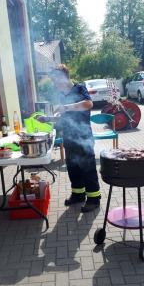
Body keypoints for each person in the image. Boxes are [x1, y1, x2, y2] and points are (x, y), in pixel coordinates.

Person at [45, 64, 100, 212]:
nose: (54, 83)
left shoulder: (80, 88)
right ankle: (78, 195)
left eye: (55, 80)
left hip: (83, 137)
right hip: (68, 137)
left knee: (88, 169)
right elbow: (64, 118)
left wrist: (67, 107)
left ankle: (94, 199)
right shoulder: (62, 95)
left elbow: (89, 104)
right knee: (73, 168)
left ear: (63, 77)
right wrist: (48, 119)